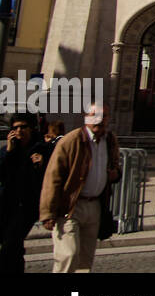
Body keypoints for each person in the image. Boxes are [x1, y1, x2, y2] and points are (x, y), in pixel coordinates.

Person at [39, 104, 121, 273]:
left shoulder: (110, 141)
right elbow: (53, 177)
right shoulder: (71, 141)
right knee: (68, 255)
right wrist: (47, 212)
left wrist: (115, 174)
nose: (99, 119)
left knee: (85, 260)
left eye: (103, 116)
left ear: (108, 119)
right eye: (94, 115)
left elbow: (116, 167)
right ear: (86, 118)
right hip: (71, 206)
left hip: (95, 206)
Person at [1, 113, 51, 272]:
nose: (19, 130)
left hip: (27, 206)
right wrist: (9, 152)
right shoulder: (7, 150)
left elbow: (49, 177)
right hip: (6, 204)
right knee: (13, 246)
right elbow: (3, 176)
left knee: (10, 244)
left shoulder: (42, 149)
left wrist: (40, 165)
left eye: (23, 127)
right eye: (15, 127)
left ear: (31, 128)